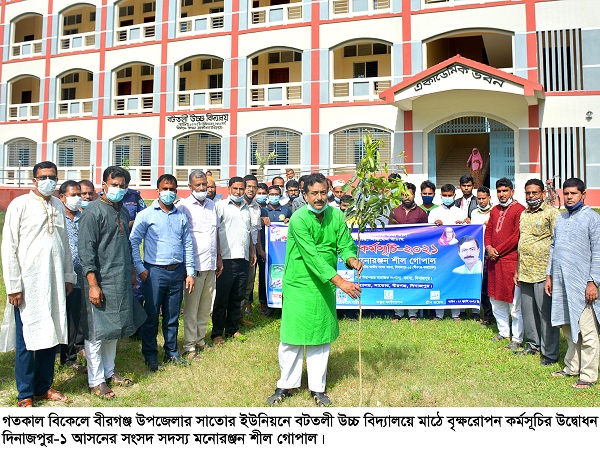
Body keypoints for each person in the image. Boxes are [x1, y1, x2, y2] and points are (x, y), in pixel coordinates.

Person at [266, 173, 363, 407]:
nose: (319, 198)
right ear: (305, 195)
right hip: (300, 282)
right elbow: (312, 257)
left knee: (320, 335)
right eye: (314, 193)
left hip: (324, 284)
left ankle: (317, 388)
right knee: (292, 336)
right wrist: (341, 282)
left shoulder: (336, 215)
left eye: (322, 193)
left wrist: (351, 258)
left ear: (328, 192)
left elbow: (344, 243)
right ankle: (286, 384)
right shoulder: (299, 219)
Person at [1, 161, 76, 407]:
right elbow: (9, 246)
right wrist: (14, 285)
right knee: (27, 338)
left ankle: (43, 386)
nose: (48, 181)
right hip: (29, 283)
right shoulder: (20, 205)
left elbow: (64, 245)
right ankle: (25, 393)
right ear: (34, 180)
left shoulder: (58, 205)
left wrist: (68, 276)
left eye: (52, 177)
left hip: (54, 281)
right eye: (43, 177)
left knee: (51, 334)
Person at [78, 166, 146, 399]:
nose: (118, 188)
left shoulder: (123, 211)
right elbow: (86, 252)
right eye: (114, 184)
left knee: (114, 329)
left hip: (120, 279)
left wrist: (132, 273)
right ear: (104, 185)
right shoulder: (93, 212)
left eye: (122, 185)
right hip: (100, 280)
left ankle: (109, 372)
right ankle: (96, 381)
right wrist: (93, 284)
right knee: (97, 332)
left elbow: (126, 245)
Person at [130, 174, 195, 370]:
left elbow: (188, 244)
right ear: (157, 190)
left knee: (172, 316)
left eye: (172, 189)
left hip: (177, 271)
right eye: (165, 189)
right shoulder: (146, 215)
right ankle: (150, 355)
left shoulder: (181, 216)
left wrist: (190, 272)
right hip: (154, 272)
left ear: (176, 191)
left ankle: (171, 352)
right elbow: (133, 241)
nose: (168, 192)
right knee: (151, 316)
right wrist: (140, 268)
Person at [546, 178, 600, 389]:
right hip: (561, 283)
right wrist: (549, 275)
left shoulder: (592, 218)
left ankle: (588, 375)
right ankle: (571, 367)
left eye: (574, 193)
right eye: (566, 194)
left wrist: (592, 281)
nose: (569, 197)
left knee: (587, 331)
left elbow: (598, 253)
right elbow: (553, 248)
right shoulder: (561, 219)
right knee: (568, 328)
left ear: (583, 195)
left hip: (583, 285)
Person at [178, 170, 223, 362]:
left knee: (206, 306)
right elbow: (181, 237)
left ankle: (200, 339)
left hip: (211, 264)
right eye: (198, 185)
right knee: (192, 308)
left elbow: (215, 233)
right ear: (190, 187)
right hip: (194, 266)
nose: (203, 188)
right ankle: (189, 345)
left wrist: (219, 258)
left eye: (204, 184)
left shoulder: (212, 205)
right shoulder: (183, 206)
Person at [513, 179, 560, 365]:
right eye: (528, 193)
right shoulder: (524, 214)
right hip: (525, 270)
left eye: (535, 193)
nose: (531, 196)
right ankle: (533, 345)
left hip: (543, 272)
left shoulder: (551, 213)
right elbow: (522, 243)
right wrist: (517, 270)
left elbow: (558, 243)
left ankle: (550, 353)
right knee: (528, 312)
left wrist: (552, 274)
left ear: (543, 194)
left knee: (545, 314)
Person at [212, 177, 257, 345]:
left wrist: (252, 251)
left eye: (241, 189)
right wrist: (218, 256)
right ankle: (217, 333)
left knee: (238, 296)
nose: (238, 192)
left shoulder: (246, 208)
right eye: (235, 188)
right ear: (229, 188)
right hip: (226, 258)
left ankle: (232, 329)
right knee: (222, 298)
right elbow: (215, 232)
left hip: (243, 258)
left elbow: (248, 231)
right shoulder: (220, 206)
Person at [485, 177, 525, 350]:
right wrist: (488, 247)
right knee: (495, 298)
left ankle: (517, 338)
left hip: (510, 261)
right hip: (494, 263)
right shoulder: (494, 210)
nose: (502, 194)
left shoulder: (519, 210)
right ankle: (503, 331)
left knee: (514, 303)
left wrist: (498, 250)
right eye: (499, 191)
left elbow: (517, 236)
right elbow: (488, 231)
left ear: (512, 191)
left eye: (505, 191)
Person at [58, 180, 85, 371]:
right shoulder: (58, 218)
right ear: (62, 197)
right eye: (73, 195)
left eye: (79, 195)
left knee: (76, 316)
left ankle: (74, 351)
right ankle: (66, 356)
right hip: (64, 276)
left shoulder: (84, 217)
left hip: (82, 276)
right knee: (65, 317)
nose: (78, 198)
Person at [428, 184, 465, 320]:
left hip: (455, 254)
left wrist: (465, 223)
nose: (447, 198)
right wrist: (435, 225)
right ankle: (439, 314)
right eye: (445, 195)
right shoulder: (434, 213)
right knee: (440, 281)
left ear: (454, 196)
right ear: (441, 196)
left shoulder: (460, 212)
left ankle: (456, 314)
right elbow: (430, 233)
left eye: (450, 195)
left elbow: (466, 231)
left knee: (455, 281)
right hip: (440, 254)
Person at [241, 174, 264, 323]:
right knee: (238, 285)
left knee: (248, 285)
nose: (251, 189)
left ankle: (240, 316)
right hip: (238, 250)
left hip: (252, 252)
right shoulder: (237, 205)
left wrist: (259, 250)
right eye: (248, 186)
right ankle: (231, 318)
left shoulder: (256, 207)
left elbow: (257, 231)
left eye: (254, 187)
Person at [470, 186, 494, 325]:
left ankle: (490, 315)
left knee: (489, 284)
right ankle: (480, 313)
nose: (481, 201)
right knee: (479, 283)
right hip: (477, 253)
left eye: (484, 198)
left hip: (490, 252)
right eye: (479, 199)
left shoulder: (495, 211)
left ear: (489, 198)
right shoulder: (474, 213)